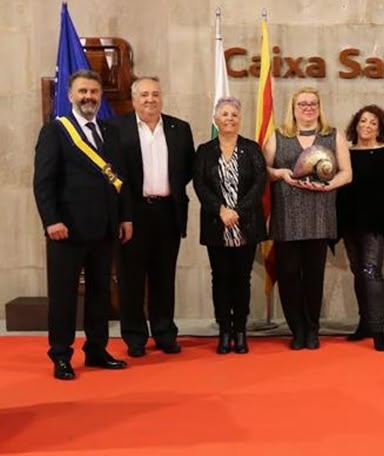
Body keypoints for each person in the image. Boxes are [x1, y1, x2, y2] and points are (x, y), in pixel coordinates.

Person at [33, 69, 132, 380]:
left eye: (93, 92)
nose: (88, 97)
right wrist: (51, 221)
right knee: (63, 296)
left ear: (100, 96)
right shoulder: (56, 131)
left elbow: (121, 180)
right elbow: (43, 182)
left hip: (104, 229)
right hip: (68, 230)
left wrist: (125, 216)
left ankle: (96, 349)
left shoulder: (110, 131)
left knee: (101, 294)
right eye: (82, 92)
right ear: (70, 96)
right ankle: (61, 355)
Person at [112, 76, 195, 358]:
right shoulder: (115, 127)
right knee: (131, 278)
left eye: (155, 94)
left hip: (167, 211)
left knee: (164, 277)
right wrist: (123, 214)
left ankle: (164, 333)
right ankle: (135, 337)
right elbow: (112, 174)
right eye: (144, 94)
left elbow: (186, 171)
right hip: (131, 214)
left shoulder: (179, 129)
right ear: (134, 99)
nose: (150, 99)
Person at [264, 87, 352, 351]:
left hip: (319, 216)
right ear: (293, 108)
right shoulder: (278, 136)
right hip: (287, 217)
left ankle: (312, 329)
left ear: (319, 107)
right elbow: (263, 171)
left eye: (312, 103)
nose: (308, 108)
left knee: (314, 277)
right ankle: (297, 329)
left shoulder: (333, 135)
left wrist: (329, 185)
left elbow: (347, 173)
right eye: (302, 104)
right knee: (288, 276)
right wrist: (279, 173)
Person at [193, 96, 267, 355]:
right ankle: (224, 331)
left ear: (239, 119)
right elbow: (200, 185)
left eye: (234, 114)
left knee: (242, 279)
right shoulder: (204, 150)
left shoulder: (252, 148)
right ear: (216, 119)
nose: (229, 119)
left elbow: (260, 182)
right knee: (220, 279)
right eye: (224, 114)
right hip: (217, 225)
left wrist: (237, 211)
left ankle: (240, 330)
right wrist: (221, 210)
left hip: (246, 224)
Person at [338, 105, 384, 352]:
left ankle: (378, 329)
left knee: (371, 272)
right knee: (358, 272)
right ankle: (365, 323)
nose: (367, 126)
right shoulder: (346, 155)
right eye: (363, 121)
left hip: (376, 226)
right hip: (350, 224)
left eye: (373, 123)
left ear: (380, 128)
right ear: (356, 125)